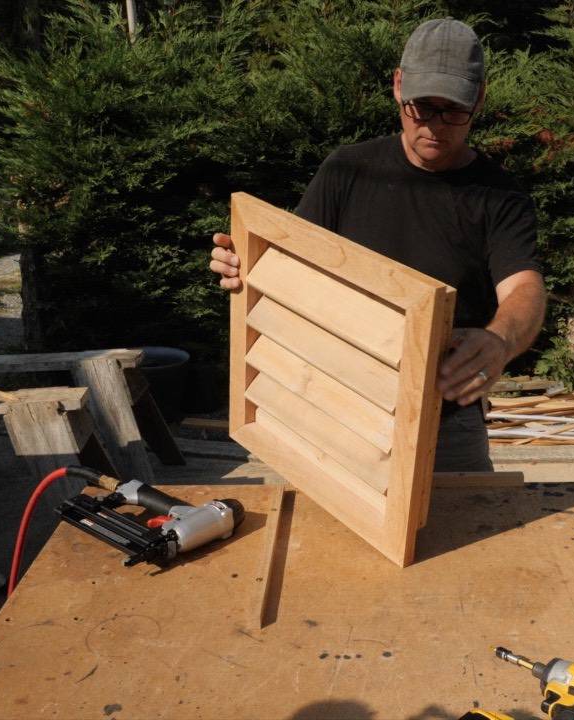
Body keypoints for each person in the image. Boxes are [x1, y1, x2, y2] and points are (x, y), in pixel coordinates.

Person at [209, 17, 546, 471]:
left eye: (453, 111)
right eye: (422, 108)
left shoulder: (499, 196)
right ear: (398, 85)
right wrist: (246, 267)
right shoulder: (347, 171)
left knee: (469, 515)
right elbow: (293, 268)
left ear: (479, 99)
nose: (435, 126)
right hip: (332, 407)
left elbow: (524, 288)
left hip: (445, 421)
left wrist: (499, 340)